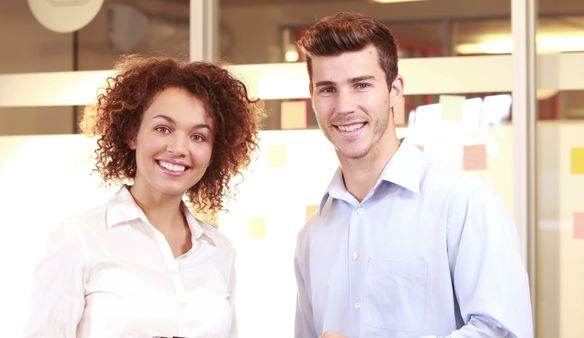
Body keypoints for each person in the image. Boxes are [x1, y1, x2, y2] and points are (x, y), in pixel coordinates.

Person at [293, 12, 533, 338]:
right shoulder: (313, 235)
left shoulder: (462, 204)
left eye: (361, 85)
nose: (344, 106)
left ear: (395, 91)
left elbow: (503, 332)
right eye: (327, 89)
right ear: (312, 97)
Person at [24, 55, 262, 338]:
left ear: (214, 152)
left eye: (198, 136)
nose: (179, 148)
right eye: (163, 129)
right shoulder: (79, 241)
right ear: (132, 134)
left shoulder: (218, 251)